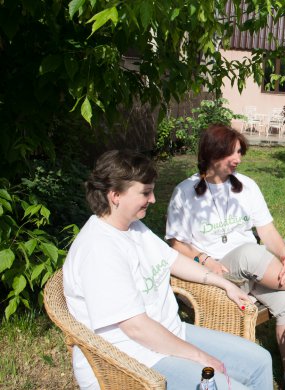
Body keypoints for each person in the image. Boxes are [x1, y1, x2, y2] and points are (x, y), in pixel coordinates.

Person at [63, 150, 272, 390]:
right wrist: (200, 357)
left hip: (170, 334)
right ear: (115, 196)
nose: (153, 199)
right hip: (130, 361)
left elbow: (173, 260)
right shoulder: (99, 249)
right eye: (145, 192)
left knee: (260, 361)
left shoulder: (134, 228)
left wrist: (224, 283)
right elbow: (136, 327)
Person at [166, 124, 285, 390]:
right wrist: (204, 259)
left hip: (253, 270)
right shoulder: (185, 192)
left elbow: (266, 229)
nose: (238, 159)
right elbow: (175, 243)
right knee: (250, 252)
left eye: (240, 152)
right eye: (232, 153)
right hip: (216, 272)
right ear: (212, 153)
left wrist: (284, 255)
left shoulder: (246, 186)